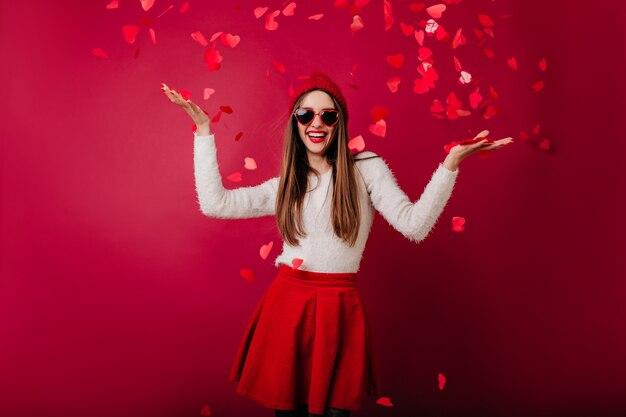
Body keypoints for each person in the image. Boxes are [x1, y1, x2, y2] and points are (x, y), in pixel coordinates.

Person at [160, 72, 513, 417]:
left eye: (328, 115)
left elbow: (415, 226)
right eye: (306, 114)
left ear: (339, 122)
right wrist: (204, 131)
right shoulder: (286, 185)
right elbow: (214, 204)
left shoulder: (366, 168)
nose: (317, 122)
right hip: (287, 308)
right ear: (295, 122)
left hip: (340, 308)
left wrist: (450, 165)